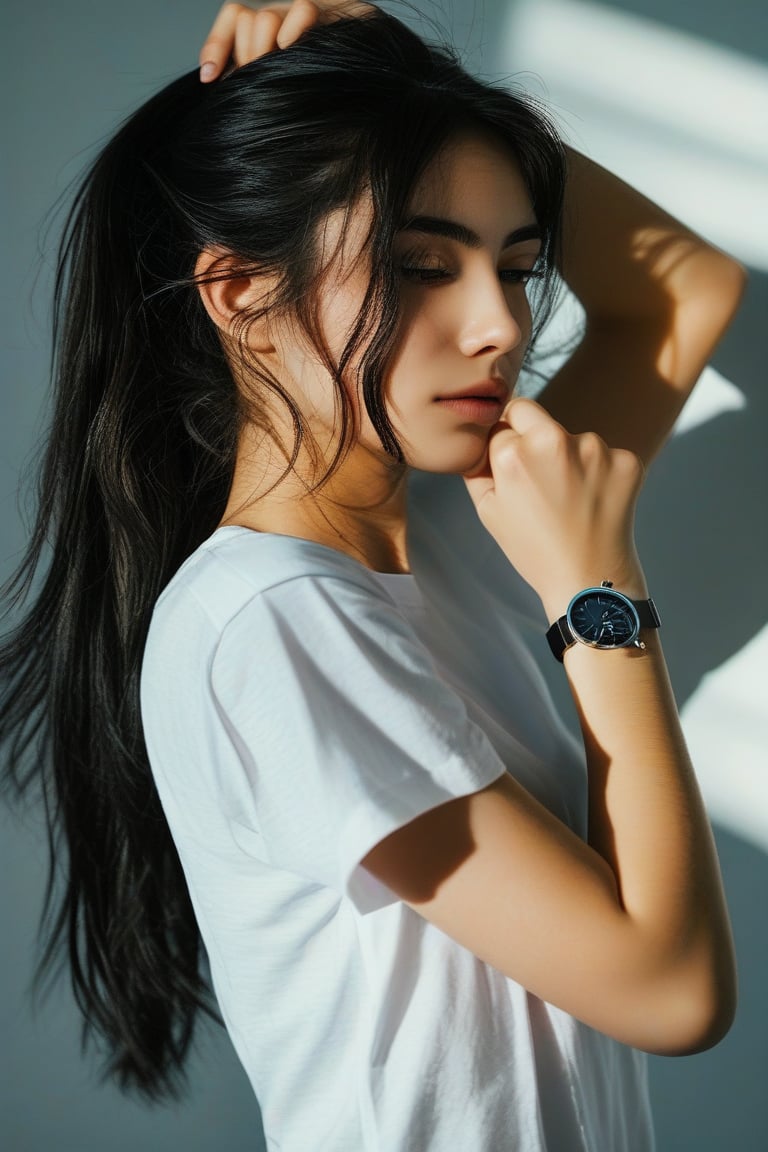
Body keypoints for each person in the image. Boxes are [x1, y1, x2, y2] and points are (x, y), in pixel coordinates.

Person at [0, 2, 746, 1149]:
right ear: (241, 295)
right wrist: (599, 595)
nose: (500, 324)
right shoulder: (272, 621)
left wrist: (400, 64)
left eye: (518, 264)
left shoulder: (463, 529)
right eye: (421, 265)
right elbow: (671, 991)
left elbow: (684, 290)